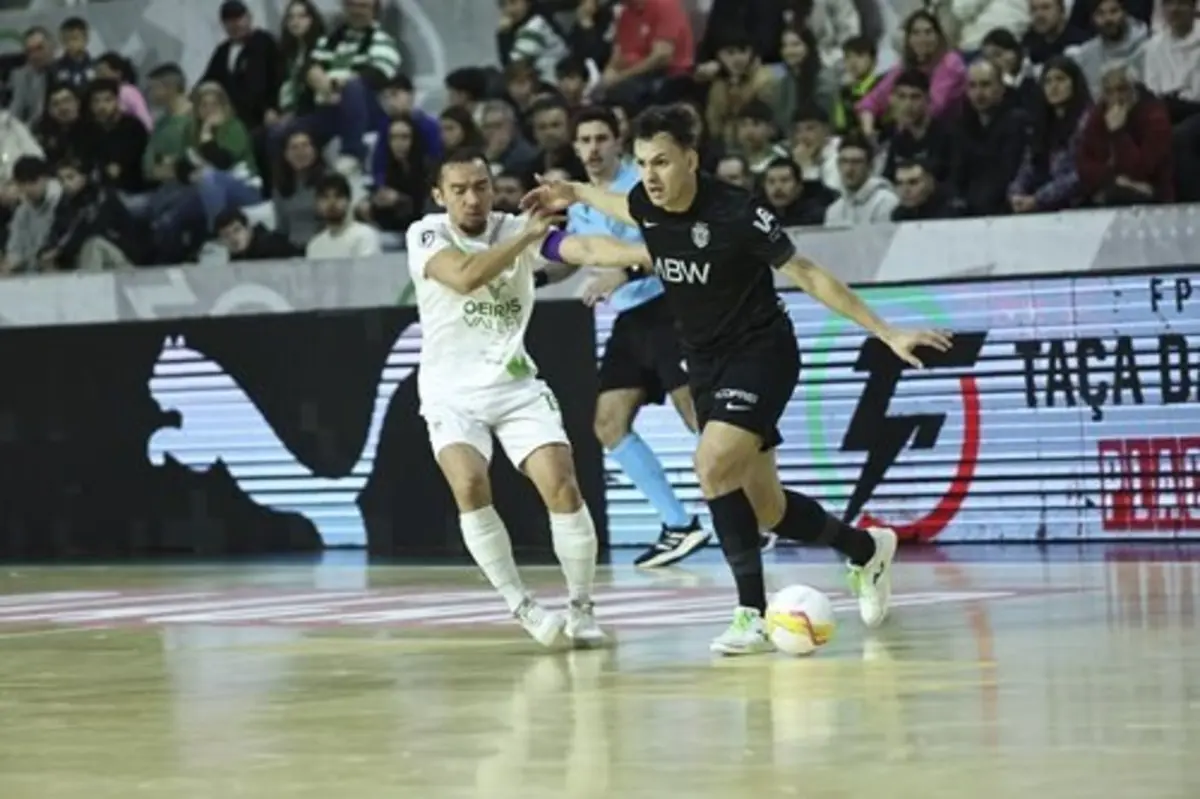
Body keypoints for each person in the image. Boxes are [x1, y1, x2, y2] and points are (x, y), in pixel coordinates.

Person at [521, 105, 952, 655]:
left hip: (762, 353)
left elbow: (809, 274)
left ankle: (751, 613)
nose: (650, 176)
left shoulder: (736, 213)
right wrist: (574, 194)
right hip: (705, 362)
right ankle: (868, 550)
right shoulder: (644, 204)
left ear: (692, 160)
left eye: (662, 162)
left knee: (712, 464)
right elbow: (615, 206)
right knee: (766, 508)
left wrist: (885, 332)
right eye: (642, 163)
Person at [403, 148, 612, 648]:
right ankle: (522, 605)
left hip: (515, 383)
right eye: (459, 189)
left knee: (562, 486)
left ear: (493, 188)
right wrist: (525, 237)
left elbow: (577, 250)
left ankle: (581, 608)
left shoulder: (519, 226)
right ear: (439, 196)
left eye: (481, 186)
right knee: (470, 485)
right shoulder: (426, 233)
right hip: (449, 393)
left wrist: (647, 252)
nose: (472, 198)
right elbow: (465, 276)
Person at [543, 106, 710, 568]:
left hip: (671, 307)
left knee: (700, 416)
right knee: (608, 424)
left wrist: (624, 271)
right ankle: (679, 525)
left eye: (601, 138)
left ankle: (757, 512)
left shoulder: (640, 188)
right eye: (585, 140)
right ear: (575, 147)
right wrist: (527, 277)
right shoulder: (577, 205)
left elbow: (670, 241)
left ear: (618, 143)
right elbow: (569, 261)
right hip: (631, 319)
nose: (593, 148)